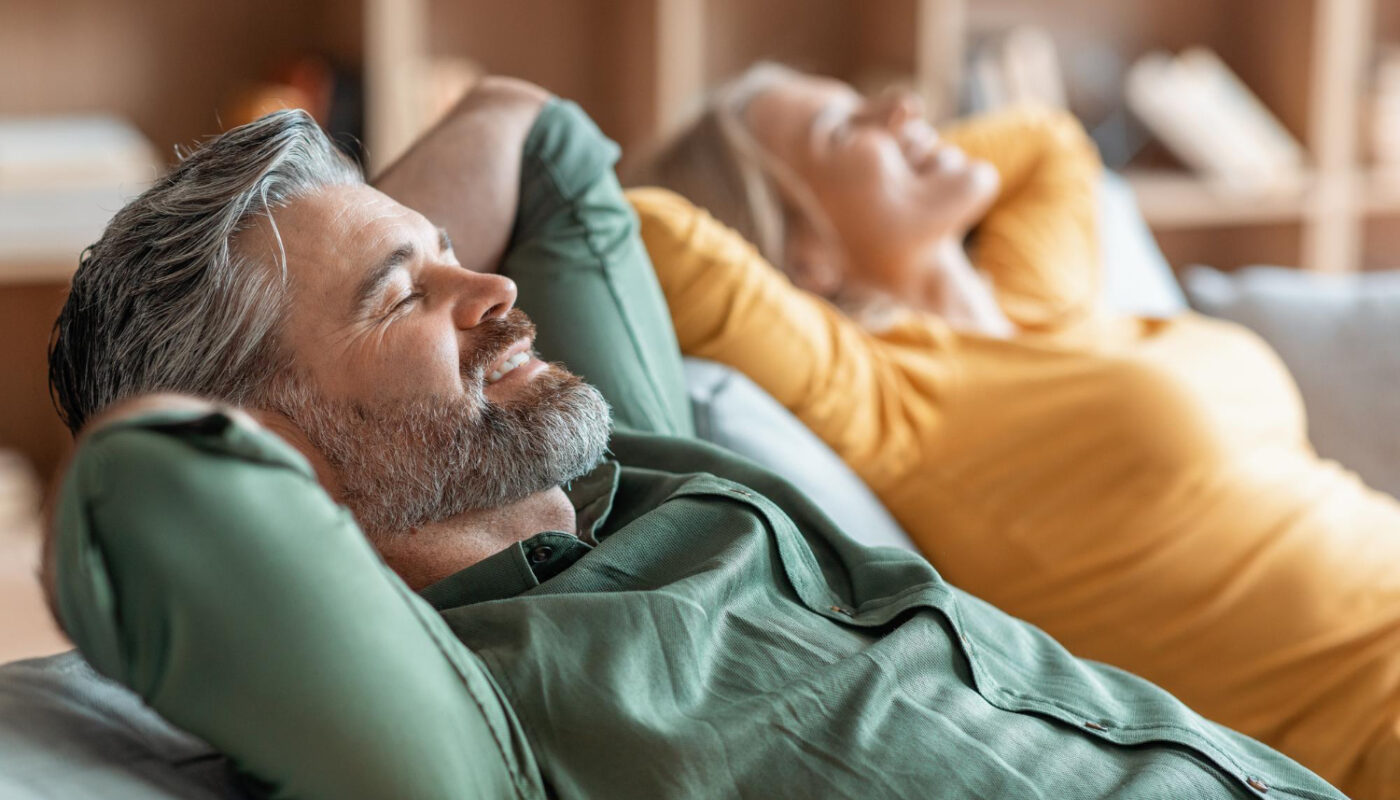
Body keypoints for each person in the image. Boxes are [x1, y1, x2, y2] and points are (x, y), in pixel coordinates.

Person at [41, 76, 1345, 799]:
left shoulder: (637, 476)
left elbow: (537, 131)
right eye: (407, 297)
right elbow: (145, 487)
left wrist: (351, 250)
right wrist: (283, 374)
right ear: (281, 447)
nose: (495, 292)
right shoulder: (464, 721)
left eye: (455, 255)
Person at [628, 63, 1400, 798]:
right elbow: (649, 231)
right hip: (1370, 723)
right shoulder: (890, 398)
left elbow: (1048, 143)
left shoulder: (1039, 299)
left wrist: (899, 170)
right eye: (843, 128)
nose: (901, 106)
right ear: (802, 252)